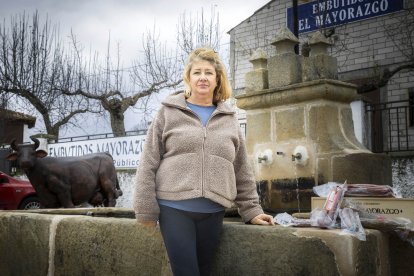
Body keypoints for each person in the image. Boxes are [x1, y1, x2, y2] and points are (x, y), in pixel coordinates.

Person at [133, 47, 274, 276]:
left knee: (204, 271)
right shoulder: (168, 113)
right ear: (188, 77)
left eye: (208, 73)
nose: (202, 77)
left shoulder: (229, 118)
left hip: (214, 210)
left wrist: (252, 211)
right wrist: (146, 208)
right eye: (197, 72)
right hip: (174, 208)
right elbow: (148, 161)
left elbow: (241, 169)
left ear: (217, 79)